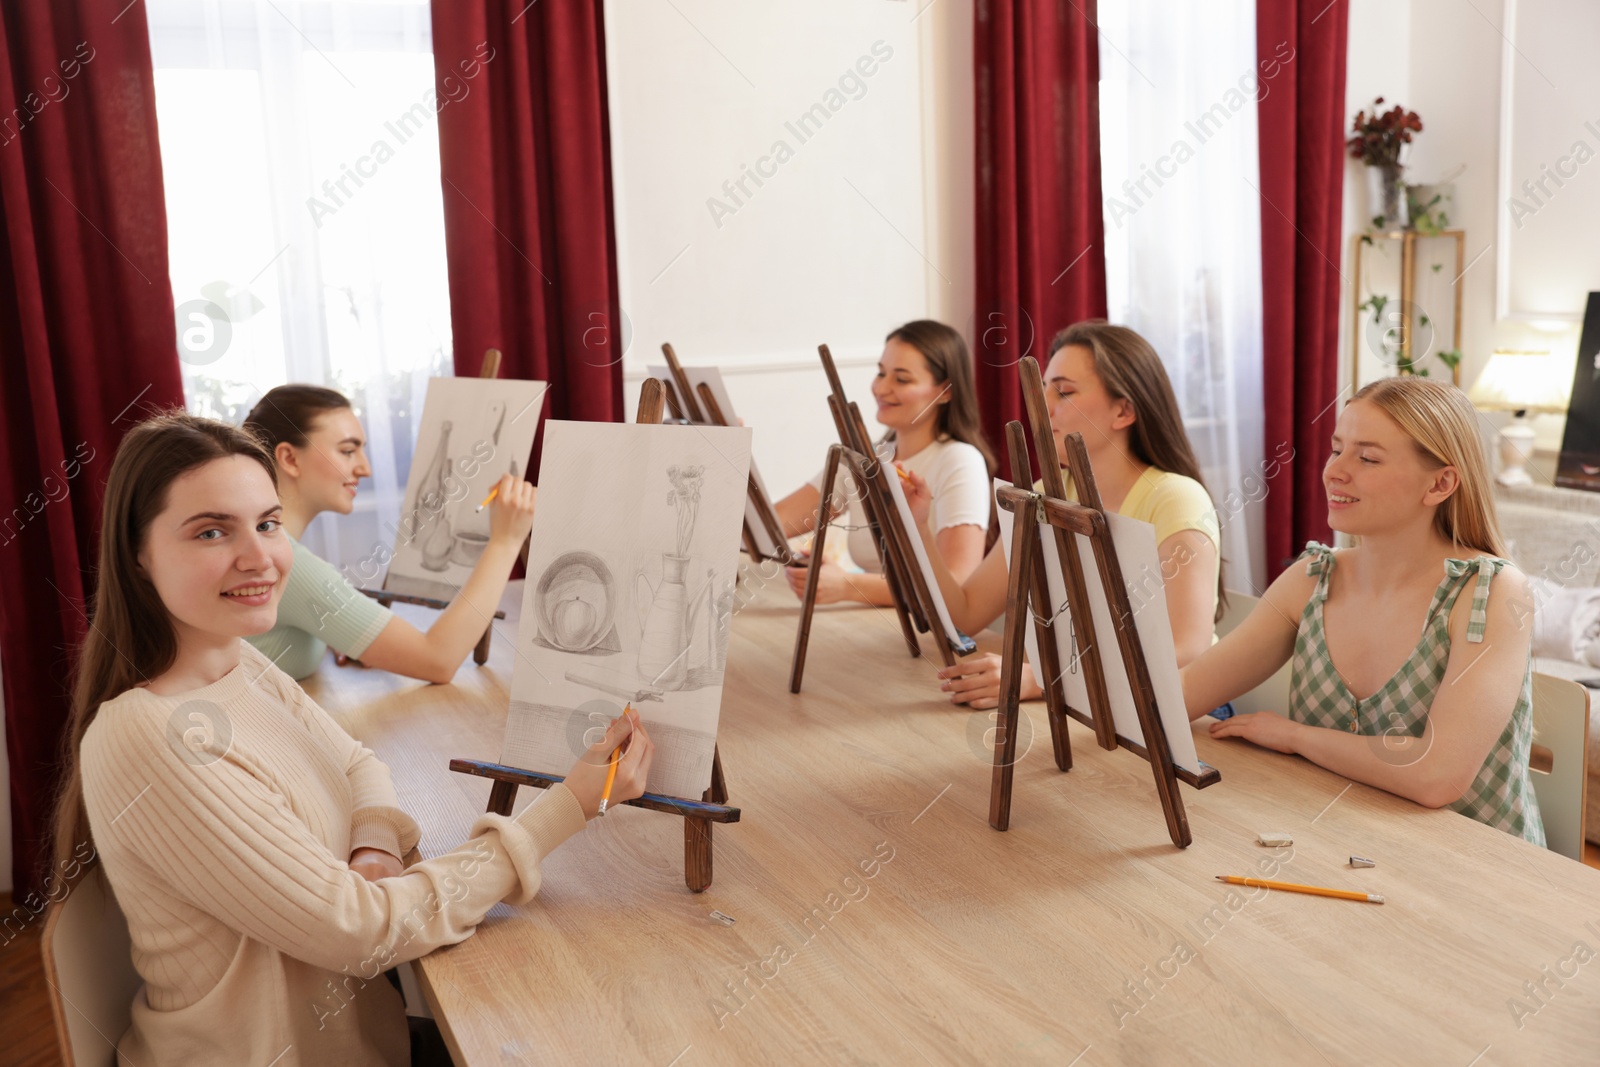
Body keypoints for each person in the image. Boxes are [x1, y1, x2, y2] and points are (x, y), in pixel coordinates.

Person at [50, 411, 654, 1064]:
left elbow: (359, 764)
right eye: (210, 530)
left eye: (267, 523)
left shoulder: (237, 658)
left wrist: (374, 848)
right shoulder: (151, 736)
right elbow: (365, 930)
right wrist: (569, 805)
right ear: (138, 554)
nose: (259, 556)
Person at [1181, 377, 1544, 843]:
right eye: (1337, 450)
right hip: (1344, 846)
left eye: (1367, 458)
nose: (1335, 471)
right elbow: (1185, 691)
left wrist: (1295, 737)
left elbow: (1437, 777)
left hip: (1479, 878)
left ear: (1440, 484)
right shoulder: (1311, 578)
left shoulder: (1492, 593)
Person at [909, 321, 1222, 709]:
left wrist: (1046, 679)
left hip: (1175, 709)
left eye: (1065, 392)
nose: (1043, 406)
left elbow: (1186, 651)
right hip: (1090, 702)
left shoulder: (1175, 498)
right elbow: (966, 614)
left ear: (1123, 410)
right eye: (1043, 390)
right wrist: (918, 525)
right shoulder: (1047, 494)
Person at [243, 385, 535, 682]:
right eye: (347, 451)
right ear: (290, 459)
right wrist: (505, 540)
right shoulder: (282, 563)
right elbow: (438, 660)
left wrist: (326, 633)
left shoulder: (261, 548)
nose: (365, 468)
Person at [773, 320, 995, 606]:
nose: (881, 388)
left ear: (945, 392)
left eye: (902, 379)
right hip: (868, 623)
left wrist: (849, 586)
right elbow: (774, 524)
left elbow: (957, 584)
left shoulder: (960, 461)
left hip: (924, 636)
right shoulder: (864, 457)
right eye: (881, 373)